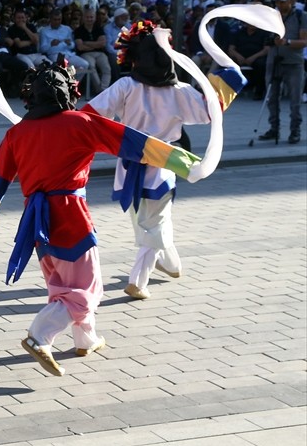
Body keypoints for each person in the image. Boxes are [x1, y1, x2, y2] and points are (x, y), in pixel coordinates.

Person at [0, 59, 200, 377]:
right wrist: (185, 163)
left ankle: (87, 339)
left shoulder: (18, 133)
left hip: (36, 221)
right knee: (89, 288)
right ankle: (40, 335)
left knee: (62, 284)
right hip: (70, 215)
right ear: (68, 91)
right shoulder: (80, 123)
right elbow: (134, 143)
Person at [84, 20, 244, 300]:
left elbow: (90, 115)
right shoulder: (179, 90)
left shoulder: (126, 85)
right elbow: (211, 110)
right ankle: (139, 279)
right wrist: (229, 74)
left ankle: (167, 265)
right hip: (162, 162)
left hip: (131, 163)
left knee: (148, 221)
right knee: (154, 222)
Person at [258, 0, 305, 144]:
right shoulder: (272, 16)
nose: (279, 4)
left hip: (294, 63)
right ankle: (274, 128)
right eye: (277, 1)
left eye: (283, 1)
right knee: (272, 97)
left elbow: (304, 41)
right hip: (274, 59)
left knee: (295, 99)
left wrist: (287, 42)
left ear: (291, 0)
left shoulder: (301, 16)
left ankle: (295, 130)